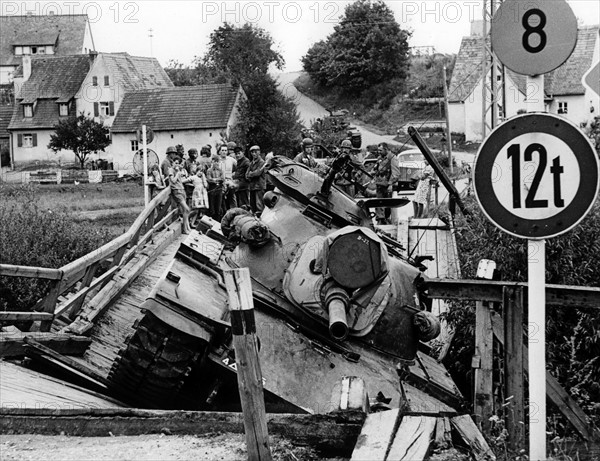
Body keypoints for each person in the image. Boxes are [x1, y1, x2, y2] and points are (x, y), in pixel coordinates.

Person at [168, 157, 192, 234]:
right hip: (177, 191)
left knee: (185, 210)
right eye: (176, 163)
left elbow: (180, 181)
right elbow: (173, 181)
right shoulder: (171, 170)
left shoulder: (178, 170)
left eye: (178, 163)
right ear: (172, 163)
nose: (177, 165)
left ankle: (188, 227)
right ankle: (185, 229)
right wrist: (178, 174)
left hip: (181, 190)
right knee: (187, 209)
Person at [246, 145, 266, 214]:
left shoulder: (262, 162)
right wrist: (251, 174)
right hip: (252, 187)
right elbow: (246, 175)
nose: (253, 154)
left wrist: (251, 174)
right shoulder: (251, 163)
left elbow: (258, 173)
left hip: (259, 187)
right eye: (252, 152)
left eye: (255, 152)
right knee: (253, 206)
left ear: (259, 152)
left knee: (259, 206)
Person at [218, 144, 237, 212]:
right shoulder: (217, 160)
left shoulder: (231, 160)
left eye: (225, 150)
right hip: (220, 182)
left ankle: (234, 212)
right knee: (221, 200)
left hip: (229, 181)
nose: (224, 152)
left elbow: (238, 167)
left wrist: (233, 175)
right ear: (219, 151)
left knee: (232, 198)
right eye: (222, 150)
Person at [206, 154, 225, 221]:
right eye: (215, 161)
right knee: (212, 206)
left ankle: (218, 221)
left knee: (218, 206)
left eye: (217, 161)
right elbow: (209, 179)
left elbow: (222, 179)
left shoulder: (220, 170)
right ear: (212, 162)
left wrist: (214, 179)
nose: (216, 163)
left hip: (219, 189)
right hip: (212, 189)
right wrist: (216, 180)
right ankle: (212, 220)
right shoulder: (209, 170)